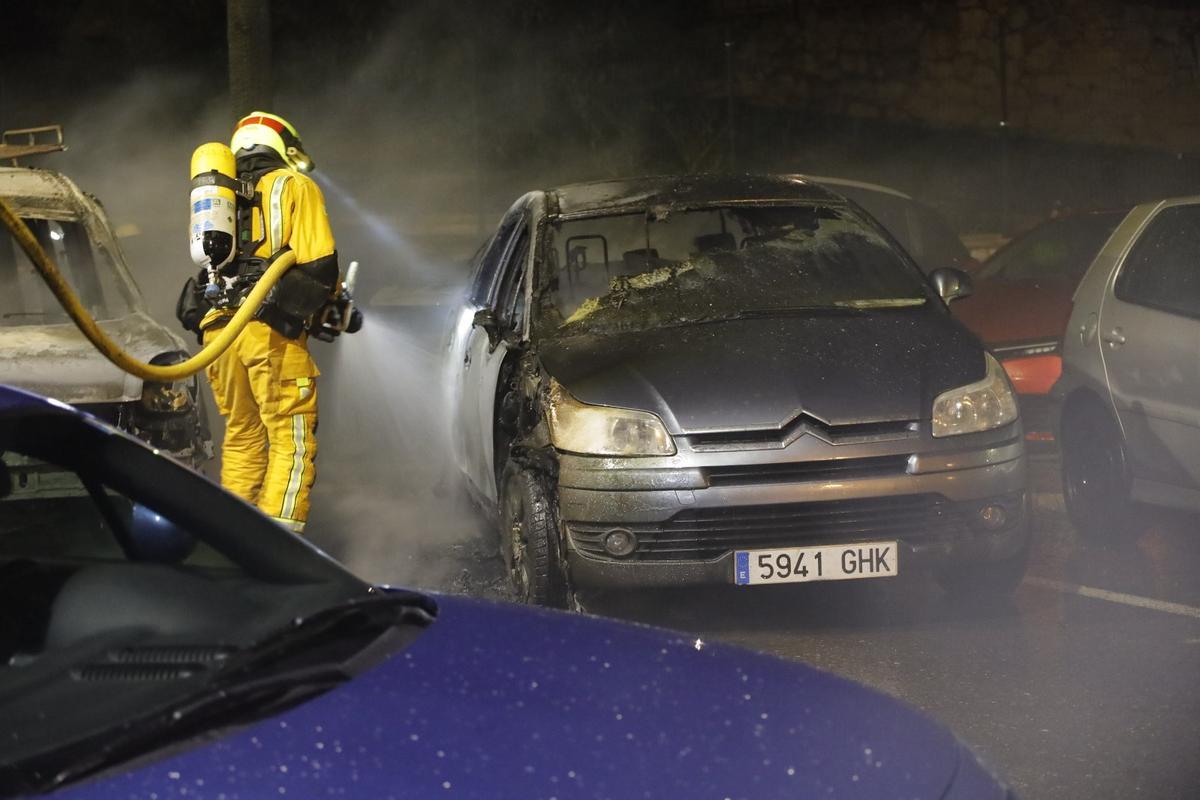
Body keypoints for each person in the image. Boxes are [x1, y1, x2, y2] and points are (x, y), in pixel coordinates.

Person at [188, 112, 339, 533]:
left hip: (219, 333)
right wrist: (329, 306)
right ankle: (281, 551)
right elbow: (318, 265)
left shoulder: (222, 198)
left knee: (242, 438)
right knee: (290, 440)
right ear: (284, 146)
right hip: (265, 331)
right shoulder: (294, 185)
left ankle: (231, 543)